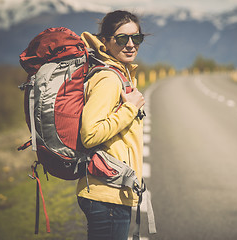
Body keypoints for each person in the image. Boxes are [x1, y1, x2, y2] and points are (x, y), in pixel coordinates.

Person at [76, 10, 146, 240]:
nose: (130, 45)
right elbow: (90, 134)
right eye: (121, 38)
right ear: (104, 41)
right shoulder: (108, 79)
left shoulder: (120, 75)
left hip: (112, 192)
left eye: (136, 38)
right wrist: (130, 109)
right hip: (107, 197)